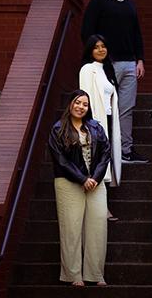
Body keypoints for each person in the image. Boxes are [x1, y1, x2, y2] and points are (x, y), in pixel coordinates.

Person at [81, 0, 148, 164]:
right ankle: (101, 150)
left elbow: (136, 34)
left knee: (126, 109)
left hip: (129, 64)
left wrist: (140, 60)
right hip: (105, 64)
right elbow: (87, 32)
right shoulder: (98, 1)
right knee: (101, 108)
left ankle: (125, 150)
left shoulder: (129, 5)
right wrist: (98, 57)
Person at [48, 90, 111, 287]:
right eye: (77, 102)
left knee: (98, 225)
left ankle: (95, 274)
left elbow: (105, 153)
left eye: (85, 104)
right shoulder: (58, 129)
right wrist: (82, 178)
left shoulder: (95, 128)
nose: (81, 107)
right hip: (68, 182)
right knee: (71, 228)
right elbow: (61, 160)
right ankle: (73, 275)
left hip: (95, 182)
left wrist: (95, 178)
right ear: (70, 104)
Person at [80, 34, 122, 222]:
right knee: (97, 163)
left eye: (103, 46)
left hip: (110, 119)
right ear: (90, 50)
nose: (100, 50)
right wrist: (89, 124)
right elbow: (85, 98)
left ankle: (101, 206)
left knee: (106, 160)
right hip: (95, 121)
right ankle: (100, 208)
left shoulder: (107, 70)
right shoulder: (87, 69)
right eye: (96, 47)